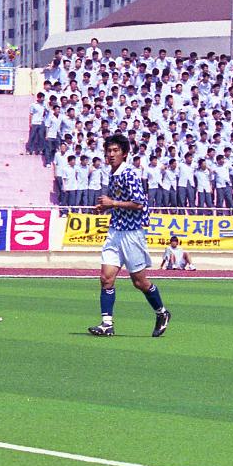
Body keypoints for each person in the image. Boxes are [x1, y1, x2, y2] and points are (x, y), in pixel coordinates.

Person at [88, 134, 171, 338]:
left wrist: (112, 203)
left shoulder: (129, 174)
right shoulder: (113, 173)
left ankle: (162, 313)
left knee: (139, 282)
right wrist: (105, 208)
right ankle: (107, 324)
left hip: (132, 233)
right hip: (115, 231)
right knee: (106, 278)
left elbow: (139, 203)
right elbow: (119, 201)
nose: (111, 154)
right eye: (108, 151)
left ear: (124, 153)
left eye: (115, 151)